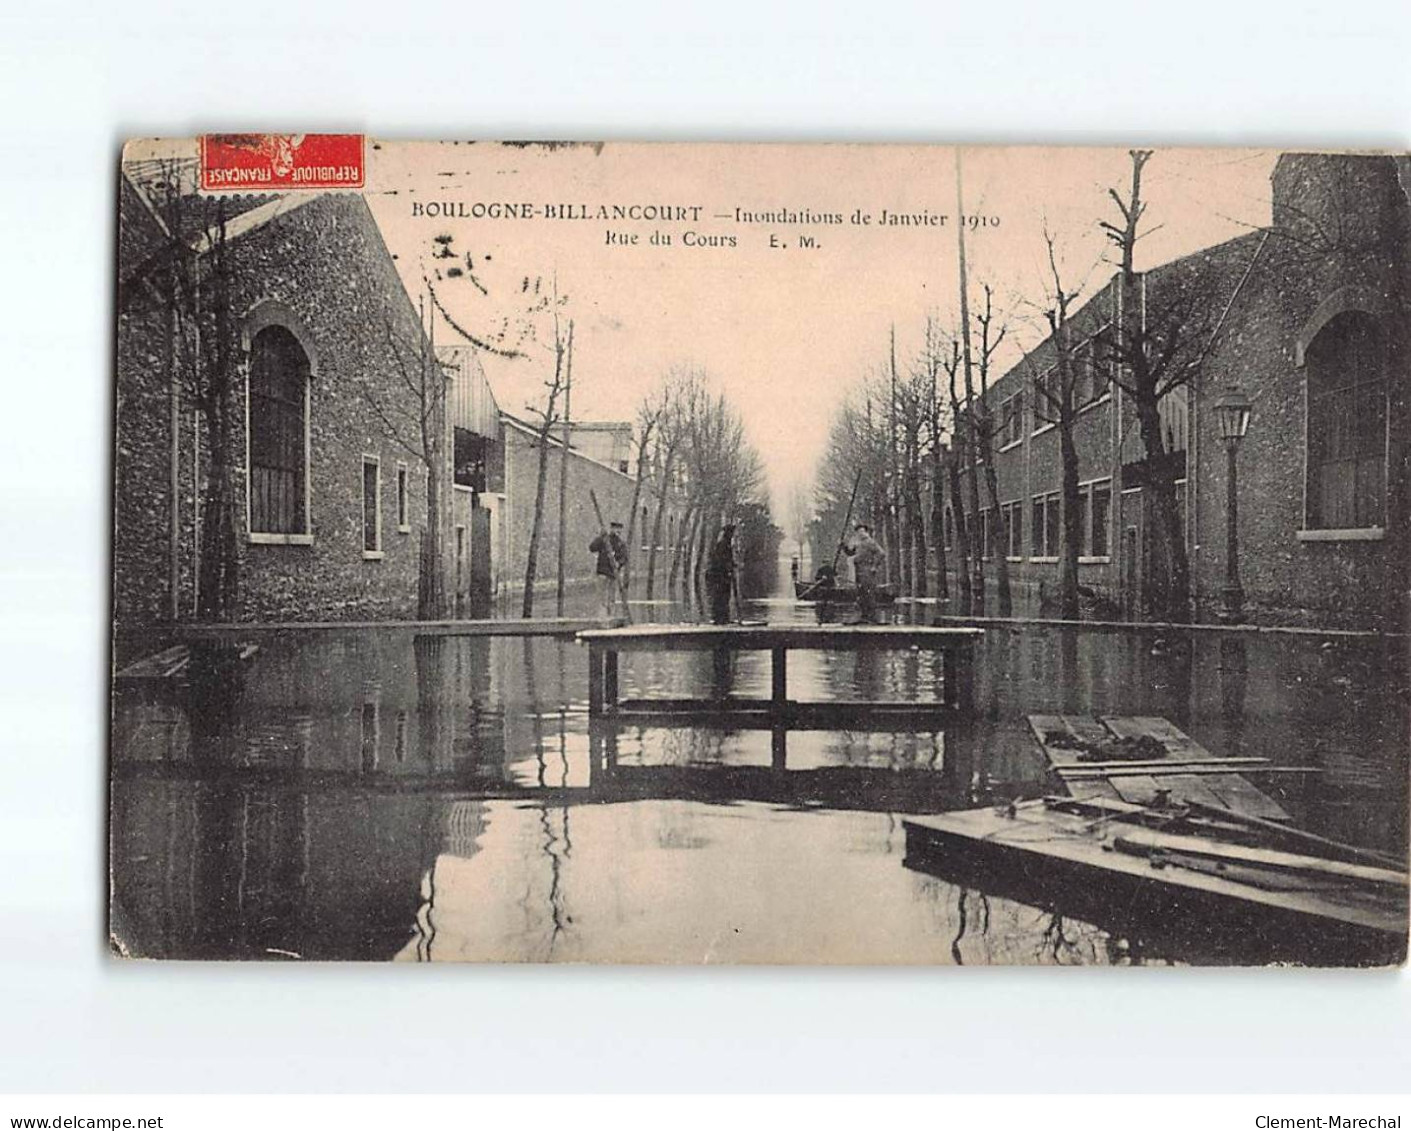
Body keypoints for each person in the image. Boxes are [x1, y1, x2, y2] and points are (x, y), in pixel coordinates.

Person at [842, 522, 885, 623]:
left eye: (862, 531)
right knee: (861, 593)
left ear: (866, 532)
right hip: (859, 570)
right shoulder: (858, 544)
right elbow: (850, 553)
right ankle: (864, 616)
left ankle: (872, 617)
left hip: (867, 570)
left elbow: (881, 553)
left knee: (868, 592)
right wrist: (843, 546)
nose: (860, 534)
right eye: (858, 532)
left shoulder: (870, 542)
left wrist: (874, 566)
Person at [588, 520, 628, 622]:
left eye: (620, 529)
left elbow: (624, 558)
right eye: (616, 528)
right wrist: (600, 537)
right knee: (602, 597)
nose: (618, 531)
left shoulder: (621, 544)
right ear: (612, 529)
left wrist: (619, 563)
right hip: (602, 572)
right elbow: (592, 548)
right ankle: (602, 618)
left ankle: (611, 617)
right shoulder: (604, 540)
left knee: (611, 598)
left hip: (613, 574)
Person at [703, 525, 737, 625]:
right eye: (731, 533)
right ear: (727, 534)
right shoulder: (722, 544)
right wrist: (728, 566)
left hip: (724, 575)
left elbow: (727, 559)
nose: (732, 535)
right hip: (719, 575)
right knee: (720, 596)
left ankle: (724, 617)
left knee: (725, 596)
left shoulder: (726, 544)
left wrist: (733, 564)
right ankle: (719, 618)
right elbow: (719, 559)